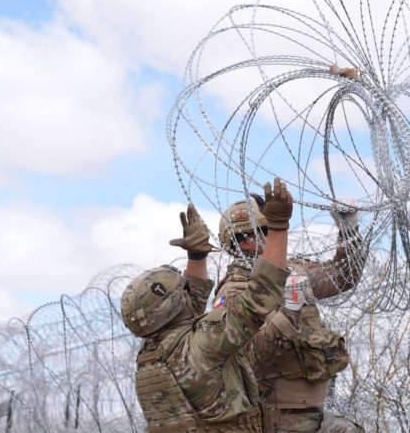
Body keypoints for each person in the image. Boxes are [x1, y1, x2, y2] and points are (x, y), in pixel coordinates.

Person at [121, 178, 297, 432]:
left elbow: (186, 311)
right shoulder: (202, 346)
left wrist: (197, 257)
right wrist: (278, 227)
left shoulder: (152, 355)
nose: (187, 288)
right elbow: (261, 295)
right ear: (171, 309)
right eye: (181, 289)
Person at [214, 197, 366, 433]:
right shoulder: (235, 291)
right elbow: (247, 359)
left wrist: (348, 229)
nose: (278, 236)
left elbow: (343, 275)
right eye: (269, 230)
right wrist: (288, 312)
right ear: (244, 241)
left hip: (314, 417)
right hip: (278, 420)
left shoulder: (293, 271)